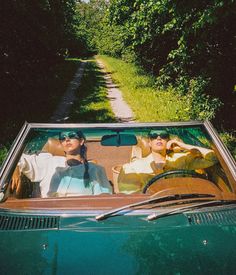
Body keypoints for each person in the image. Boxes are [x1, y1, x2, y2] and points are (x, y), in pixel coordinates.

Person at [11, 130, 112, 197]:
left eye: (72, 136)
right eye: (63, 138)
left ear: (81, 141)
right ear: (61, 144)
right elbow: (20, 159)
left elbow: (104, 198)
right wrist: (15, 167)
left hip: (81, 218)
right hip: (48, 216)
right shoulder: (49, 162)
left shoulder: (95, 169)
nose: (67, 139)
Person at [118, 129, 218, 194]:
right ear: (149, 142)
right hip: (151, 209)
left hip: (183, 206)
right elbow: (130, 198)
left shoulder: (182, 159)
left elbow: (213, 158)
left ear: (168, 141)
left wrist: (183, 146)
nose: (159, 137)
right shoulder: (133, 167)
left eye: (163, 135)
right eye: (153, 136)